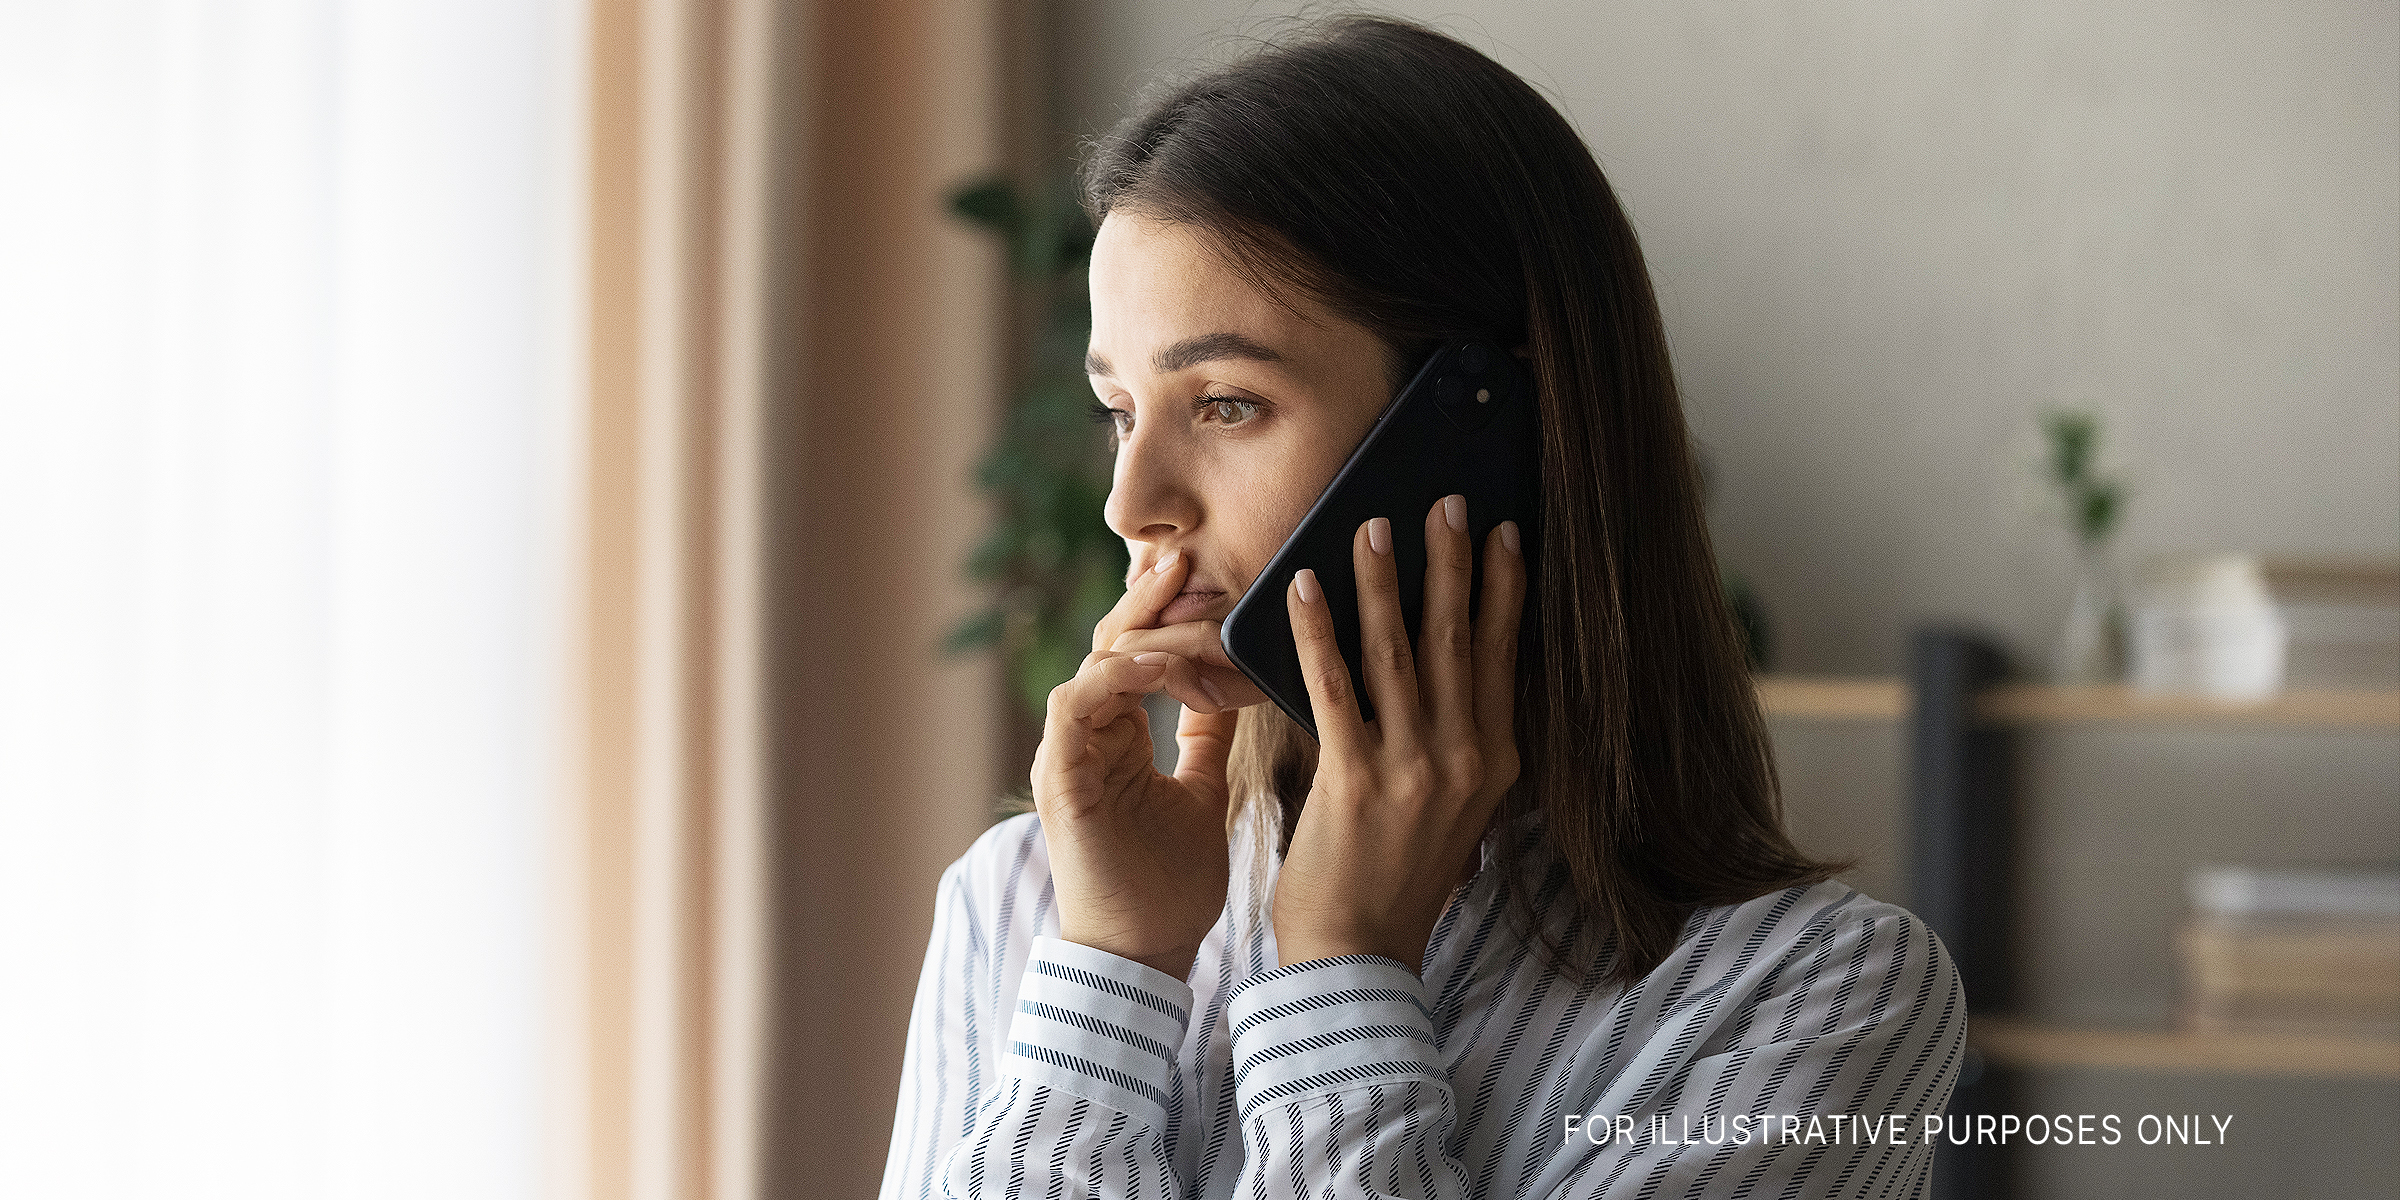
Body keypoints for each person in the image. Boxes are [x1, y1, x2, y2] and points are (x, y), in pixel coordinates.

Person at [880, 15, 1966, 1198]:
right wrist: (1112, 970)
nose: (1130, 505)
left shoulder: (1813, 999)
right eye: (1121, 411)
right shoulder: (1027, 907)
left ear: (1483, 434)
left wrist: (1343, 970)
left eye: (1228, 403)